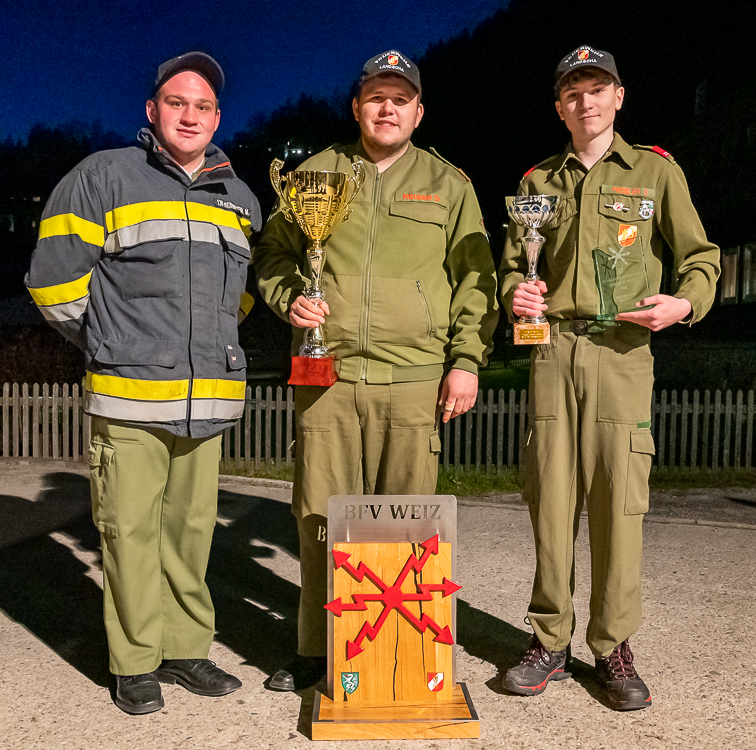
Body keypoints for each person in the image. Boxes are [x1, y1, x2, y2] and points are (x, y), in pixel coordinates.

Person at [254, 49, 498, 691]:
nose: (387, 109)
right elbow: (273, 256)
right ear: (356, 106)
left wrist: (466, 361)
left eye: (400, 99)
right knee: (318, 515)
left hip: (415, 378)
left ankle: (400, 652)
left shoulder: (449, 185)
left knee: (409, 521)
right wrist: (291, 298)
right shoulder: (315, 175)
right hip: (327, 375)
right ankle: (316, 648)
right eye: (375, 98)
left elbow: (476, 281)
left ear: (418, 111)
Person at [24, 52, 261, 714]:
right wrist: (111, 344)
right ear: (152, 110)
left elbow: (237, 300)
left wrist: (207, 348)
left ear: (218, 118)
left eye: (203, 106)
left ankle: (185, 650)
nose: (190, 115)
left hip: (208, 402)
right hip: (129, 399)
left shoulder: (240, 198)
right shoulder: (102, 176)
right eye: (177, 102)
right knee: (129, 534)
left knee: (190, 532)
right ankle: (135, 663)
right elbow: (53, 284)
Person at [498, 45, 720, 711]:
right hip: (552, 351)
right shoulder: (537, 182)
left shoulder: (655, 172)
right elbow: (510, 266)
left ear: (618, 97)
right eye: (573, 92)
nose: (585, 101)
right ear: (559, 107)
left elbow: (702, 256)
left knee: (620, 504)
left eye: (597, 88)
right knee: (550, 499)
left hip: (623, 352)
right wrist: (515, 293)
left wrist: (684, 304)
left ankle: (613, 644)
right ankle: (549, 639)